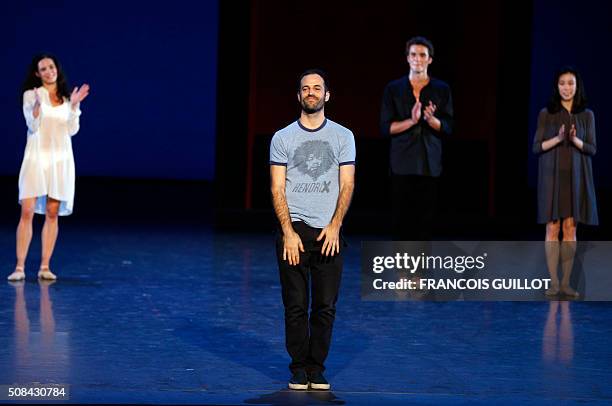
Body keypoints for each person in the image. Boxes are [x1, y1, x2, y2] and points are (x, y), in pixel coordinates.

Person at [269, 69, 355, 391]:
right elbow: (277, 188)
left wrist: (335, 226)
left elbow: (347, 184)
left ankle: (316, 367)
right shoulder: (282, 138)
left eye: (317, 88)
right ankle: (298, 367)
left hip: (328, 233)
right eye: (305, 88)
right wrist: (288, 232)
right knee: (294, 304)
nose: (311, 92)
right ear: (299, 95)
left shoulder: (343, 137)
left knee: (325, 305)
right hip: (295, 231)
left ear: (327, 95)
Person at [7, 54, 90, 282]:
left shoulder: (66, 98)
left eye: (51, 67)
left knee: (52, 213)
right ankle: (20, 267)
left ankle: (45, 266)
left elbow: (72, 130)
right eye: (43, 69)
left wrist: (74, 105)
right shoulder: (31, 95)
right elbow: (32, 125)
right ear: (37, 73)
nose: (48, 71)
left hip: (61, 160)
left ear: (57, 69)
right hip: (37, 158)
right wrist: (35, 107)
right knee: (27, 211)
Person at [532, 66, 597, 298]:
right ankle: (553, 282)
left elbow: (592, 148)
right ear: (556, 86)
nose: (566, 88)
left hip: (576, 178)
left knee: (570, 228)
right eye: (562, 83)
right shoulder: (546, 113)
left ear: (577, 86)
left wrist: (575, 140)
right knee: (552, 228)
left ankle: (567, 283)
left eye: (570, 83)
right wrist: (559, 138)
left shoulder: (587, 115)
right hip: (551, 176)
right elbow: (537, 147)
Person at [380, 36, 453, 241]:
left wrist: (431, 120)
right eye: (413, 54)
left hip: (429, 165)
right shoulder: (393, 89)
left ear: (430, 59)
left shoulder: (441, 89)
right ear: (407, 58)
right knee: (401, 222)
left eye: (422, 55)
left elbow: (448, 126)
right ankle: (404, 271)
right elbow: (386, 128)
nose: (417, 59)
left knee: (424, 223)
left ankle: (418, 273)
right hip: (402, 164)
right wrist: (412, 121)